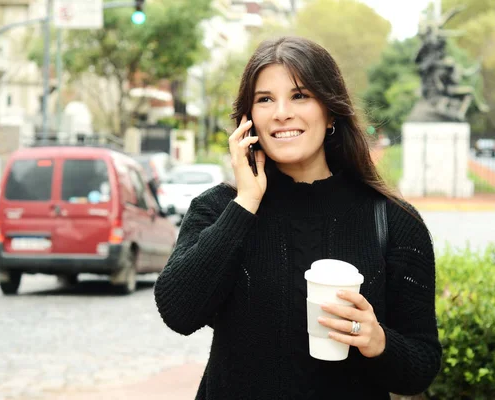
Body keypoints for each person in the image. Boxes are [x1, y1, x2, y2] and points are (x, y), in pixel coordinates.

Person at [154, 36, 441, 399]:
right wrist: (245, 203)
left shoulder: (393, 221)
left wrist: (377, 340)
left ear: (331, 111)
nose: (281, 113)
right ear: (248, 119)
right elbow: (179, 312)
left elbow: (422, 365)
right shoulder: (219, 209)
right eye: (264, 99)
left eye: (300, 95)